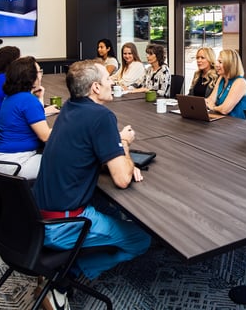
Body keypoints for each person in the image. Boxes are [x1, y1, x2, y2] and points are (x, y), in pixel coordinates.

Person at [33, 60, 151, 308]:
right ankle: (63, 279)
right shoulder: (102, 117)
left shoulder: (69, 108)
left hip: (36, 215)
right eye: (108, 80)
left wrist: (111, 149)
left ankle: (61, 272)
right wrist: (124, 144)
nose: (112, 82)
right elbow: (121, 179)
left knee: (108, 208)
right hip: (64, 224)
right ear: (96, 88)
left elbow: (83, 149)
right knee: (142, 238)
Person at [0, 56, 58, 179]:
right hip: (15, 163)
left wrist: (39, 99)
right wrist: (68, 127)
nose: (41, 75)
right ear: (30, 76)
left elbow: (33, 118)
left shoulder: (11, 96)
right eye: (39, 72)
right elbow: (45, 136)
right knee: (67, 163)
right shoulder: (28, 100)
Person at [205, 49, 246, 119]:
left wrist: (213, 107)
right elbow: (210, 100)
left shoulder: (240, 82)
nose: (216, 64)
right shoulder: (221, 78)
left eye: (220, 62)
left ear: (230, 64)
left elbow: (225, 110)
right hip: (223, 121)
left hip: (238, 125)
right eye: (217, 61)